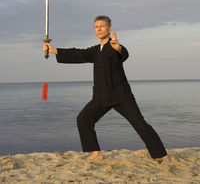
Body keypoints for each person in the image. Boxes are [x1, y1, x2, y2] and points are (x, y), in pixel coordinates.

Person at [43, 15, 171, 164]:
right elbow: (79, 54)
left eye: (102, 26)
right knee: (83, 119)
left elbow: (123, 53)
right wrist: (54, 50)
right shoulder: (96, 50)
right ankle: (96, 153)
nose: (98, 29)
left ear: (109, 29)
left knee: (140, 124)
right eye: (96, 27)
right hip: (101, 97)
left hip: (121, 96)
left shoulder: (115, 46)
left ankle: (162, 156)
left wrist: (119, 48)